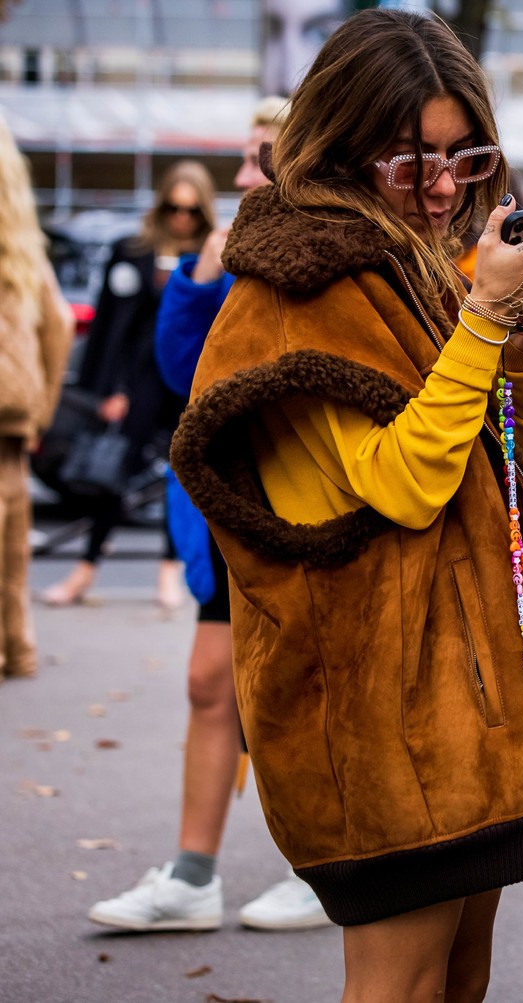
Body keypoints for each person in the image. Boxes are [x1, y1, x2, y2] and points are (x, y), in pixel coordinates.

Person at [169, 9, 523, 1002]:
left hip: (458, 710)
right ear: (342, 153)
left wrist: (514, 345)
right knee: (398, 985)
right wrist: (484, 318)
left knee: (457, 978)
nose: (440, 185)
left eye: (461, 157)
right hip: (378, 716)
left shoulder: (408, 264)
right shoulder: (300, 286)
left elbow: (515, 451)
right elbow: (406, 481)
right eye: (409, 161)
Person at [89, 97, 334, 933]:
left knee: (303, 694)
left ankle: (329, 865)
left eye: (256, 155)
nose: (237, 174)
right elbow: (179, 368)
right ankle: (194, 875)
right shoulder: (232, 245)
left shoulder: (326, 246)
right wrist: (202, 271)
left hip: (300, 508)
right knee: (209, 684)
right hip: (228, 506)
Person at [40, 161, 215, 610]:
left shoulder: (212, 256)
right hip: (140, 381)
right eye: (174, 207)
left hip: (190, 381)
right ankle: (86, 569)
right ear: (162, 205)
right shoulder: (134, 250)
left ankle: (169, 572)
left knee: (187, 477)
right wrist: (109, 388)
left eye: (191, 210)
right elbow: (112, 328)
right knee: (113, 470)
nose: (182, 217)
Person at [0, 113, 73, 685]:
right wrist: (40, 407)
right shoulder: (23, 250)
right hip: (13, 415)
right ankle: (18, 647)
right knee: (12, 545)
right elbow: (59, 324)